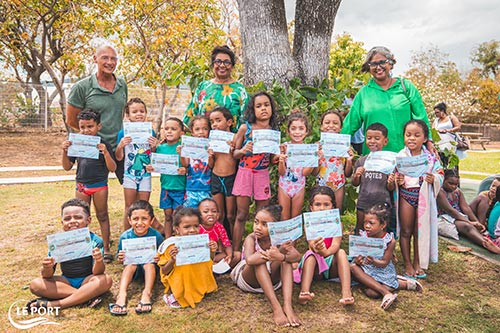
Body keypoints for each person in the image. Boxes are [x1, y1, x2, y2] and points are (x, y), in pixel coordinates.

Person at [341, 46, 434, 154]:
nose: (378, 67)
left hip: (406, 156)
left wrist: (429, 141)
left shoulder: (406, 87)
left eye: (382, 62)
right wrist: (334, 144)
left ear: (390, 63)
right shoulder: (363, 94)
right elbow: (350, 123)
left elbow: (421, 117)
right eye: (373, 64)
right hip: (374, 159)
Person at [28, 198, 112, 310]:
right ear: (62, 222)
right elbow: (47, 275)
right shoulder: (57, 242)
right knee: (35, 284)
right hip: (66, 282)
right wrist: (46, 267)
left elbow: (98, 272)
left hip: (88, 280)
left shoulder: (95, 241)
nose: (72, 221)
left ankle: (55, 305)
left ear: (89, 220)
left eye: (78, 217)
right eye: (67, 219)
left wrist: (98, 260)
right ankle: (86, 296)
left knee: (106, 280)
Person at [230, 205, 301, 327]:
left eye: (264, 224)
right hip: (248, 280)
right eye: (256, 222)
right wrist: (273, 254)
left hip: (272, 283)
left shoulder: (279, 239)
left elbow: (297, 257)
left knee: (286, 261)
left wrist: (281, 255)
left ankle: (287, 305)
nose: (258, 227)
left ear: (275, 227)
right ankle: (276, 308)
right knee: (259, 261)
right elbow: (250, 260)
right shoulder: (251, 238)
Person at [62, 108, 116, 262]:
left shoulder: (103, 144)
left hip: (99, 185)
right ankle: (82, 248)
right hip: (81, 185)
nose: (86, 131)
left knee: (102, 215)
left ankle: (105, 248)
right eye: (82, 127)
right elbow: (67, 166)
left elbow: (112, 168)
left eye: (90, 127)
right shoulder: (76, 143)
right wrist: (64, 151)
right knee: (81, 217)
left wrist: (105, 152)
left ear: (98, 126)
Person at [350, 203, 423, 311]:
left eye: (371, 223)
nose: (367, 226)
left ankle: (403, 284)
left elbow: (384, 262)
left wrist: (374, 261)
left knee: (372, 293)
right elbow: (357, 257)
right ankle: (387, 293)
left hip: (382, 271)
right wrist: (358, 260)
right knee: (353, 267)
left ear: (383, 225)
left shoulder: (389, 241)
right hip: (366, 269)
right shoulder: (363, 236)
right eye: (365, 222)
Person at [396, 120, 443, 279]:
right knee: (406, 230)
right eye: (408, 135)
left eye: (417, 135)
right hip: (406, 196)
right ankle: (407, 263)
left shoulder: (430, 157)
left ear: (424, 138)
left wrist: (433, 178)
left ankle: (418, 262)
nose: (412, 138)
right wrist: (398, 179)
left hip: (423, 196)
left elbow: (440, 173)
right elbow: (394, 174)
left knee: (419, 231)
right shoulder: (400, 156)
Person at [232, 92, 278, 252]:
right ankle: (236, 251)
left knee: (262, 215)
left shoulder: (273, 131)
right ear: (253, 109)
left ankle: (259, 250)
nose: (263, 109)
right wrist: (243, 150)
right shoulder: (246, 128)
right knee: (241, 214)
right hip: (244, 173)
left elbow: (272, 159)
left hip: (262, 174)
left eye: (266, 105)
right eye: (258, 106)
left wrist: (279, 157)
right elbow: (235, 154)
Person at [293, 186, 354, 306]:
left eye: (326, 204)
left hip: (331, 263)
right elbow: (312, 245)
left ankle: (346, 293)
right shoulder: (310, 223)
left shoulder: (337, 223)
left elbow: (335, 245)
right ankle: (304, 292)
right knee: (310, 256)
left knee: (341, 252)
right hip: (315, 266)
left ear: (333, 206)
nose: (322, 208)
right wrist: (317, 247)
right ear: (311, 207)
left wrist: (325, 252)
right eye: (318, 204)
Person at [67, 44, 128, 151]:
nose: (109, 62)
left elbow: (120, 114)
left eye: (113, 59)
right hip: (93, 149)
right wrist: (90, 133)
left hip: (118, 149)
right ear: (95, 59)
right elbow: (71, 120)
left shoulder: (122, 85)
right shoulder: (81, 87)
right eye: (105, 58)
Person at [109, 200, 164, 315]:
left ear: (151, 220)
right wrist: (120, 257)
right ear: (129, 220)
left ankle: (147, 293)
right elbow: (121, 256)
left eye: (144, 219)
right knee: (130, 264)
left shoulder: (156, 236)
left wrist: (159, 258)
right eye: (135, 219)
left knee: (149, 264)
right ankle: (122, 294)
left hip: (150, 269)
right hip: (133, 269)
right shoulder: (125, 236)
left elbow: (162, 256)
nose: (139, 223)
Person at [157, 207, 218, 308]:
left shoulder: (202, 242)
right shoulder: (171, 245)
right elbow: (164, 271)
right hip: (180, 280)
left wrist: (212, 251)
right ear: (177, 229)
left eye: (196, 226)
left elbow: (209, 260)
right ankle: (177, 293)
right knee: (184, 267)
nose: (192, 230)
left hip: (198, 278)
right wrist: (172, 260)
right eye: (187, 227)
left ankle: (199, 288)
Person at [115, 98, 158, 231]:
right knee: (129, 206)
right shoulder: (123, 133)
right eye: (134, 112)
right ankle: (127, 236)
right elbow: (119, 157)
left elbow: (154, 156)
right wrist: (120, 145)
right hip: (129, 174)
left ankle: (144, 235)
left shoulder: (151, 132)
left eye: (142, 111)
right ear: (127, 116)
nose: (139, 114)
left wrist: (155, 146)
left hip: (145, 175)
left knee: (144, 207)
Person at [183, 45, 249, 131]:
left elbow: (246, 120)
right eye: (218, 61)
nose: (222, 65)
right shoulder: (203, 87)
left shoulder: (240, 90)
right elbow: (191, 115)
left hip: (232, 142)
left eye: (227, 62)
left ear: (232, 66)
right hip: (204, 141)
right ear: (213, 65)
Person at [351, 123, 396, 234]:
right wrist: (357, 175)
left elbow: (391, 188)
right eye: (369, 138)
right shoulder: (362, 161)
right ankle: (359, 251)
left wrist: (391, 182)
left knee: (381, 231)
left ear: (385, 141)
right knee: (361, 229)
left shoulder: (390, 161)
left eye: (377, 138)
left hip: (382, 204)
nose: (372, 141)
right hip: (364, 202)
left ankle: (382, 251)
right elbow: (355, 183)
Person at [147, 117, 187, 238]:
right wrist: (151, 167)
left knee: (178, 216)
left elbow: (188, 166)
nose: (169, 131)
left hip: (180, 188)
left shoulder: (183, 147)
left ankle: (179, 239)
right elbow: (155, 164)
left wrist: (185, 169)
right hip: (165, 187)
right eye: (166, 128)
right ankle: (168, 240)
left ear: (181, 133)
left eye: (173, 129)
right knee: (168, 215)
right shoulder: (160, 148)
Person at [436, 170, 493, 249]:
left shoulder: (457, 191)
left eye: (456, 184)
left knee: (483, 198)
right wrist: (470, 222)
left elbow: (465, 208)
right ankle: (486, 243)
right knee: (467, 226)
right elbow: (450, 211)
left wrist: (477, 222)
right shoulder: (440, 192)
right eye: (450, 183)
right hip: (447, 218)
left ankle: (482, 229)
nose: (453, 186)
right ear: (443, 180)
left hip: (460, 214)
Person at [313, 110, 354, 211]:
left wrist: (349, 161)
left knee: (336, 212)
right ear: (321, 126)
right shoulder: (317, 146)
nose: (331, 125)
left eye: (335, 123)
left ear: (340, 127)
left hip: (338, 184)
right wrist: (316, 158)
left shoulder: (345, 146)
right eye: (327, 123)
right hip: (322, 183)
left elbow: (348, 174)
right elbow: (314, 173)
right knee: (320, 213)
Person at [278, 112, 315, 220]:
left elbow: (305, 173)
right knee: (284, 217)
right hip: (284, 185)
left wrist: (313, 160)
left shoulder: (308, 149)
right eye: (293, 128)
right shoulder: (284, 147)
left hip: (299, 186)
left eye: (301, 128)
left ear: (306, 131)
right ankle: (285, 236)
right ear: (288, 131)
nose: (297, 132)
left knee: (295, 218)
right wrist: (281, 161)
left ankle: (294, 237)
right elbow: (282, 172)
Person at [209, 106, 237, 238]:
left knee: (231, 215)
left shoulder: (235, 138)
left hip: (230, 178)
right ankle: (220, 242)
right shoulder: (211, 140)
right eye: (212, 121)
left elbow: (238, 158)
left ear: (229, 122)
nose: (214, 124)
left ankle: (232, 240)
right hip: (216, 177)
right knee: (219, 215)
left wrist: (234, 148)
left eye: (218, 120)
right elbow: (211, 164)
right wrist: (210, 155)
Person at [180, 116, 214, 208]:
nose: (201, 132)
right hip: (191, 188)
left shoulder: (211, 146)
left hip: (207, 189)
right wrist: (181, 153)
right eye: (197, 129)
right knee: (191, 213)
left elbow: (211, 166)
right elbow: (185, 164)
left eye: (205, 129)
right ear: (192, 132)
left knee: (205, 213)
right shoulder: (188, 147)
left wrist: (211, 156)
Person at [198, 198, 237, 267]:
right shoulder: (197, 227)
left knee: (237, 255)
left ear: (218, 215)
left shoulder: (219, 227)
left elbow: (226, 243)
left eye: (214, 211)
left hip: (214, 255)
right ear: (199, 215)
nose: (210, 214)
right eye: (206, 212)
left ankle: (215, 267)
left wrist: (229, 255)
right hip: (199, 257)